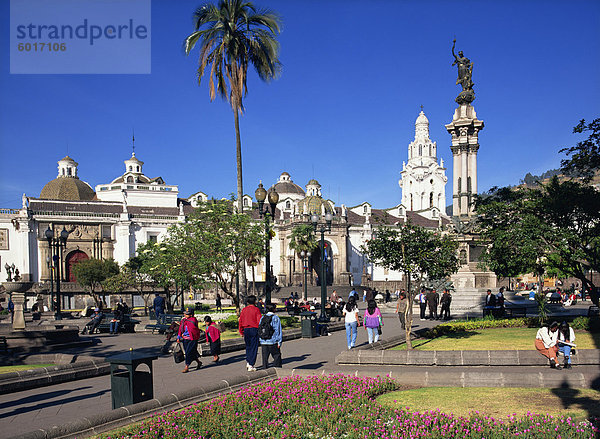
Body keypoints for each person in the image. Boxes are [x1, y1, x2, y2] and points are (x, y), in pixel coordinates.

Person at [238, 295, 262, 371]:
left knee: (248, 346)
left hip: (246, 329)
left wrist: (241, 331)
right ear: (255, 302)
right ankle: (251, 363)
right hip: (254, 329)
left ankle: (248, 361)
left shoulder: (244, 310)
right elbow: (259, 321)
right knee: (254, 347)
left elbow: (240, 321)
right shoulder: (256, 310)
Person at [177, 307, 202, 373]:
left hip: (192, 339)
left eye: (187, 314)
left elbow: (194, 330)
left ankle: (186, 367)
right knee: (191, 352)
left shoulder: (193, 320)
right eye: (185, 313)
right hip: (185, 339)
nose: (185, 315)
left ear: (191, 315)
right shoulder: (183, 320)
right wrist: (179, 336)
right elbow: (180, 328)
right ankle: (199, 362)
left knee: (188, 352)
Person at [259, 302, 283, 369]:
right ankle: (277, 370)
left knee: (265, 358)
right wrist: (279, 341)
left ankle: (265, 370)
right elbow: (278, 330)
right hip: (273, 341)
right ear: (274, 309)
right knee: (276, 356)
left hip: (263, 341)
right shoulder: (275, 318)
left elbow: (260, 328)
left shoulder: (263, 317)